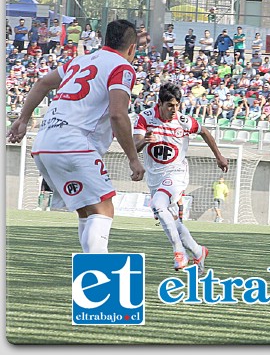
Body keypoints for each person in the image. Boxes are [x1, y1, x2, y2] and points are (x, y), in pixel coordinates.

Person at [7, 19, 145, 253]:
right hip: (74, 144)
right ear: (132, 48)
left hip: (44, 144)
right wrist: (133, 157)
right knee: (104, 210)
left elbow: (42, 82)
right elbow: (118, 115)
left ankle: (89, 274)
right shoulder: (122, 67)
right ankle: (98, 275)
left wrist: (23, 119)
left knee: (87, 210)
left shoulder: (78, 61)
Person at [133, 82, 228, 273]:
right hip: (155, 178)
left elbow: (205, 132)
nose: (174, 110)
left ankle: (179, 251)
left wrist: (219, 156)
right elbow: (134, 147)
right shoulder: (145, 118)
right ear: (159, 103)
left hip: (177, 174)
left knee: (158, 205)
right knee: (171, 218)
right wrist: (144, 141)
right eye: (170, 106)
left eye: (177, 105)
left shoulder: (184, 121)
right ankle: (198, 250)